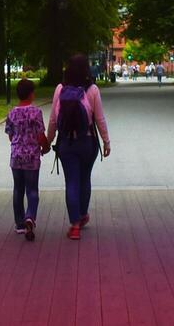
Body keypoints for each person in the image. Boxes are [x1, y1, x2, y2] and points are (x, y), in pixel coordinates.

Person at [47, 53, 111, 240]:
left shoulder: (60, 89)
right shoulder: (92, 90)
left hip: (66, 142)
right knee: (85, 179)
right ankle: (82, 215)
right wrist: (106, 141)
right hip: (87, 142)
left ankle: (74, 225)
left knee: (71, 182)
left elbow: (53, 119)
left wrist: (49, 140)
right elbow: (99, 119)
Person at [4, 78, 48, 241]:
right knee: (32, 190)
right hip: (32, 157)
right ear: (31, 94)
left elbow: (10, 136)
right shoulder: (36, 112)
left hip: (16, 156)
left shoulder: (12, 113)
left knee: (18, 189)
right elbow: (40, 135)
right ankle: (30, 216)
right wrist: (46, 146)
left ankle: (19, 224)